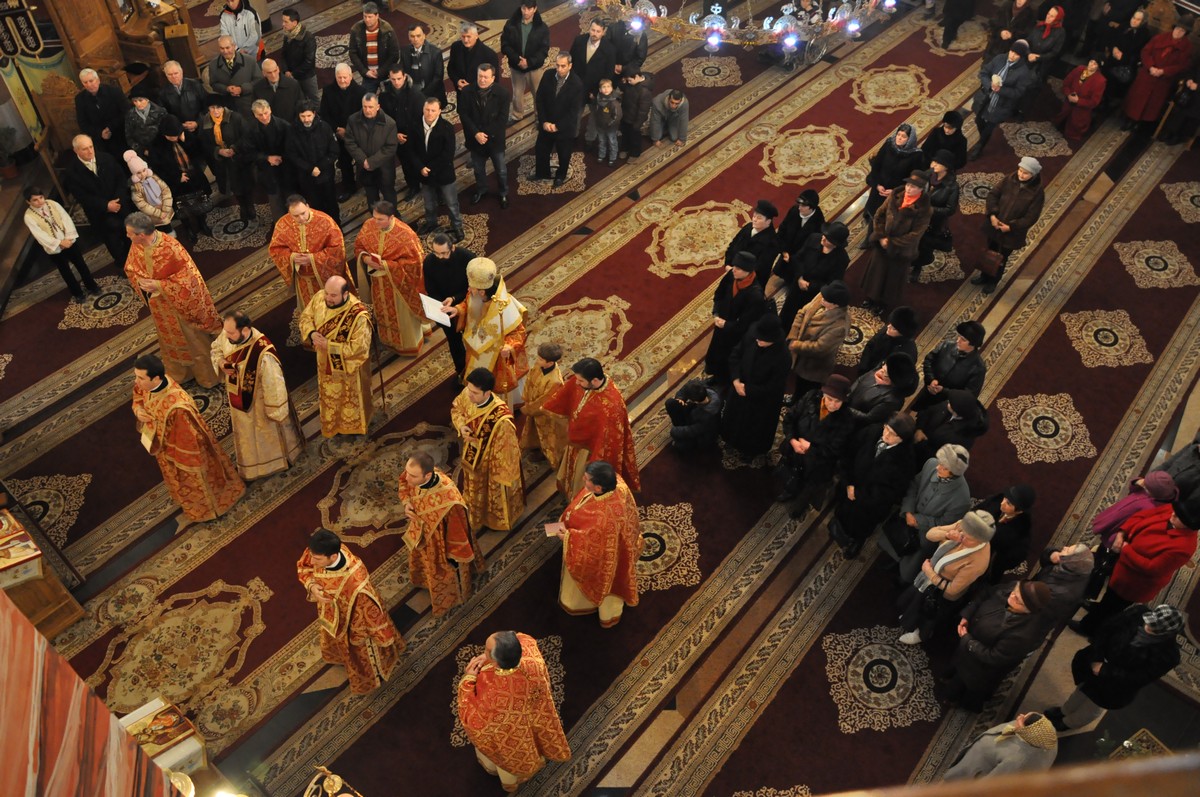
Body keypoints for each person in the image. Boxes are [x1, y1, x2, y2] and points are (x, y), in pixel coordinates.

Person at [131, 353, 245, 521]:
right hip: (163, 448)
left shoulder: (177, 407)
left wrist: (168, 452)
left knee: (196, 483)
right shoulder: (150, 385)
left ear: (156, 378)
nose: (136, 381)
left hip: (181, 455)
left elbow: (190, 440)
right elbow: (138, 396)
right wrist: (138, 411)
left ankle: (211, 510)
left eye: (140, 378)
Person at [457, 630, 571, 790]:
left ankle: (509, 778)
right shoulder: (530, 650)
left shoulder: (493, 692)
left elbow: (473, 719)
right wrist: (489, 657)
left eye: (486, 650)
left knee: (507, 752)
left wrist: (468, 679)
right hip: (535, 711)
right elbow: (521, 636)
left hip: (511, 732)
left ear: (496, 663)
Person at [297, 529, 403, 694]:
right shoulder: (318, 551)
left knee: (359, 652)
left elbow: (369, 612)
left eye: (317, 559)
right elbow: (304, 567)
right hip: (330, 611)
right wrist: (311, 586)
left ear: (332, 557)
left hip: (352, 622)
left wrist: (353, 633)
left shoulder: (355, 582)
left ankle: (371, 676)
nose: (312, 560)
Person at [1046, 604, 1184, 731]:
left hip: (1114, 685)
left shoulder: (1168, 655)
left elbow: (1140, 678)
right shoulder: (1137, 613)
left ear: (1167, 633)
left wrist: (1106, 670)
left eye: (1155, 628)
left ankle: (1068, 723)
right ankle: (1065, 710)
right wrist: (1097, 657)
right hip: (1094, 663)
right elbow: (1106, 630)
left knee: (1092, 706)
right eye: (1150, 622)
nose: (1148, 627)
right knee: (1081, 690)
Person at [124, 212, 221, 387]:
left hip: (180, 307)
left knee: (194, 342)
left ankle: (208, 377)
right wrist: (142, 282)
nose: (127, 236)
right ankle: (181, 374)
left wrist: (160, 286)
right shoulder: (136, 245)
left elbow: (189, 278)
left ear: (141, 235)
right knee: (170, 344)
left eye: (129, 233)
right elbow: (131, 268)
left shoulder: (170, 248)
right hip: (159, 306)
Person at [1074, 501, 1198, 636]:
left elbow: (1152, 568)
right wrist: (1122, 533)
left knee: (1112, 606)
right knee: (1108, 597)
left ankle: (1088, 627)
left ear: (1189, 527)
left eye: (1179, 517)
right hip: (1122, 566)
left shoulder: (1183, 548)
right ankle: (1098, 608)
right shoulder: (1173, 511)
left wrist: (1126, 549)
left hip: (1134, 582)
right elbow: (1140, 516)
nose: (1173, 514)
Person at [210, 310, 303, 480]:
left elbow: (275, 386)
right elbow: (216, 348)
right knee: (247, 437)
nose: (226, 335)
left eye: (230, 332)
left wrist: (276, 413)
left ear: (245, 329)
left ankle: (275, 462)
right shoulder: (228, 334)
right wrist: (221, 363)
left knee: (266, 438)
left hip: (261, 407)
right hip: (238, 403)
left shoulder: (263, 353)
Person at [550, 461, 641, 626]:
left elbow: (593, 548)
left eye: (586, 479)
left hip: (603, 558)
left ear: (598, 488)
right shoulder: (618, 482)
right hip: (615, 540)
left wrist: (568, 538)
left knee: (596, 585)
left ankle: (584, 604)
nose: (583, 481)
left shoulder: (604, 519)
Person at [941, 580, 1054, 711]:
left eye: (1018, 600)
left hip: (980, 667)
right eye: (1014, 592)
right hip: (969, 645)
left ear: (1029, 610)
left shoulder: (1022, 635)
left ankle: (960, 702)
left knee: (967, 686)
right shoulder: (1012, 589)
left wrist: (967, 640)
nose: (1011, 597)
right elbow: (985, 594)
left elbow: (994, 657)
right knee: (956, 667)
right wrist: (967, 615)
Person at [398, 452, 484, 615]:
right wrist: (407, 503)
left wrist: (452, 557)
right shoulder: (414, 475)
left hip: (441, 544)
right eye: (407, 472)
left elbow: (458, 531)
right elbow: (404, 483)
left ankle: (453, 598)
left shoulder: (449, 500)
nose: (407, 478)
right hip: (421, 532)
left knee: (441, 569)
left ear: (428, 475)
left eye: (413, 476)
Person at [542, 358, 640, 496]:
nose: (576, 383)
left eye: (581, 381)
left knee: (580, 481)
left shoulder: (611, 408)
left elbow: (607, 442)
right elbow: (569, 391)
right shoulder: (584, 382)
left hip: (589, 450)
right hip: (575, 442)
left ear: (594, 381)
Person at [897, 510, 995, 645]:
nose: (962, 537)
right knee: (915, 601)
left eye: (968, 537)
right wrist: (947, 534)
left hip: (940, 592)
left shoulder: (978, 561)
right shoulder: (964, 526)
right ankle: (910, 616)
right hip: (928, 577)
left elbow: (952, 589)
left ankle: (920, 634)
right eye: (962, 533)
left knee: (928, 615)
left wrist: (929, 572)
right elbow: (930, 534)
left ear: (979, 541)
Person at [829, 413, 918, 558]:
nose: (887, 435)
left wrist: (859, 494)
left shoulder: (906, 461)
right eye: (886, 429)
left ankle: (857, 541)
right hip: (849, 486)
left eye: (893, 434)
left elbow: (891, 493)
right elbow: (848, 454)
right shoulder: (872, 431)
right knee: (842, 512)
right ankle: (839, 527)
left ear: (903, 439)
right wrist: (849, 483)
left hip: (870, 504)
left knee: (861, 526)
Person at [452, 368, 526, 533]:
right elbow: (457, 409)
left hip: (489, 466)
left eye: (475, 393)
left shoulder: (501, 419)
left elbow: (507, 452)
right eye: (469, 390)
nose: (469, 396)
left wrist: (494, 472)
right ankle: (474, 516)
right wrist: (461, 426)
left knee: (489, 493)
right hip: (471, 454)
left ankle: (491, 520)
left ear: (487, 393)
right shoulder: (467, 393)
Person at [300, 276, 374, 437]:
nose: (328, 298)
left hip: (349, 371)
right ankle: (333, 425)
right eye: (327, 293)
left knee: (347, 399)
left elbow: (359, 348)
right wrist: (312, 334)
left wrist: (330, 346)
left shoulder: (358, 316)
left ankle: (355, 427)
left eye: (333, 295)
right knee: (329, 396)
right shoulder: (320, 297)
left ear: (345, 294)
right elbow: (306, 317)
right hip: (323, 361)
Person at [443, 257, 528, 398]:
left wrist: (509, 346)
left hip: (496, 355)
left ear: (482, 292)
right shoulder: (474, 295)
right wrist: (458, 310)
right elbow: (467, 304)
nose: (469, 289)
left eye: (472, 288)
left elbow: (518, 332)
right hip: (475, 347)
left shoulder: (503, 307)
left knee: (494, 387)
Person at [776, 374, 854, 518]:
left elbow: (836, 449)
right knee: (791, 474)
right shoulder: (810, 398)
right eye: (830, 399)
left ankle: (799, 507)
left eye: (838, 401)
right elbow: (789, 419)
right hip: (795, 450)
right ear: (823, 393)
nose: (832, 404)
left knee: (808, 488)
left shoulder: (847, 420)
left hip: (818, 463)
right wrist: (793, 440)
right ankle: (789, 490)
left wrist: (810, 447)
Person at [884, 444, 973, 569]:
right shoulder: (931, 463)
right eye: (939, 462)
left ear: (954, 473)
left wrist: (917, 521)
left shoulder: (962, 500)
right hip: (908, 516)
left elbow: (943, 524)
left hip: (925, 532)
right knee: (891, 540)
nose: (937, 467)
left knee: (908, 565)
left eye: (943, 467)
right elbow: (914, 485)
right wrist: (908, 511)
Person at [355, 200, 425, 355]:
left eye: (380, 219)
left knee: (402, 316)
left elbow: (415, 263)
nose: (376, 222)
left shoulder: (406, 234)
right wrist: (365, 258)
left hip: (398, 286)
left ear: (391, 217)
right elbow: (359, 246)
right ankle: (389, 341)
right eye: (374, 217)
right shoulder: (369, 224)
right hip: (378, 282)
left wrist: (387, 265)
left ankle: (409, 345)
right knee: (382, 312)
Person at [858, 172, 933, 315]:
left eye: (913, 186)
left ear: (921, 189)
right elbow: (879, 214)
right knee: (876, 273)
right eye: (908, 184)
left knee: (891, 279)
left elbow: (915, 234)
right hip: (882, 243)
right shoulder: (895, 195)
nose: (909, 189)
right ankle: (871, 298)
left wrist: (891, 242)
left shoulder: (924, 209)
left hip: (901, 250)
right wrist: (880, 236)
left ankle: (882, 304)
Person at [720, 313, 792, 459]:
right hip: (739, 388)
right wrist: (735, 380)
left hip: (761, 400)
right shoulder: (753, 334)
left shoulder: (783, 357)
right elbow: (736, 355)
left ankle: (750, 451)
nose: (757, 340)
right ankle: (730, 439)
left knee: (753, 430)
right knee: (733, 420)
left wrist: (748, 390)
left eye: (762, 339)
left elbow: (774, 386)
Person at [973, 157, 1044, 294]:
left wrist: (1011, 227)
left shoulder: (1037, 193)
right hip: (994, 225)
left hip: (1011, 233)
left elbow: (1031, 216)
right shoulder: (1009, 179)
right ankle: (984, 275)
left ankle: (993, 281)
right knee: (990, 251)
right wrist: (992, 215)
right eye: (1020, 170)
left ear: (1033, 175)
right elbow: (993, 195)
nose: (1021, 175)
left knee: (1001, 258)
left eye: (1025, 173)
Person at [270, 195, 351, 311]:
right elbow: (276, 249)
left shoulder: (325, 221)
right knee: (311, 309)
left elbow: (337, 249)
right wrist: (291, 257)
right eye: (296, 216)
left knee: (330, 307)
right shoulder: (282, 224)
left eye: (303, 213)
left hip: (323, 277)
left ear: (308, 206)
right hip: (302, 278)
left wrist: (313, 258)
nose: (301, 218)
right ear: (289, 213)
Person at [23, 186, 101, 303]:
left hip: (69, 241)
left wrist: (68, 238)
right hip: (55, 248)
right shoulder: (29, 217)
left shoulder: (52, 204)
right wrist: (59, 243)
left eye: (41, 197)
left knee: (81, 264)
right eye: (35, 200)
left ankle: (91, 285)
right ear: (28, 202)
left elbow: (66, 218)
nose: (40, 202)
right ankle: (77, 293)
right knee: (65, 271)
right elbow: (40, 235)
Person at [63, 133, 133, 264]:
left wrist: (118, 200)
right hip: (100, 213)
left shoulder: (106, 158)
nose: (90, 151)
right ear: (76, 150)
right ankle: (124, 265)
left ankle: (137, 259)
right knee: (113, 242)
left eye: (91, 146)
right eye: (85, 149)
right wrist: (106, 205)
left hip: (120, 205)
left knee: (130, 235)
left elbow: (120, 179)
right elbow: (82, 197)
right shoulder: (72, 172)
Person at [1121, 16, 1193, 132]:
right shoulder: (1160, 37)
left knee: (1151, 103)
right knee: (1136, 98)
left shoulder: (1187, 47)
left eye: (1182, 31)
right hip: (1148, 74)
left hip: (1163, 79)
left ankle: (1139, 123)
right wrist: (1151, 66)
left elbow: (1182, 66)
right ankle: (1129, 119)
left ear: (1186, 33)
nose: (1179, 32)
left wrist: (1164, 71)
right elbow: (1146, 51)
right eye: (1178, 28)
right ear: (1174, 28)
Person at [704, 251, 766, 386]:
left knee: (728, 357)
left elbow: (747, 323)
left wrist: (727, 325)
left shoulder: (755, 295)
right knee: (716, 353)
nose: (734, 270)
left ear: (748, 271)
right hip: (722, 324)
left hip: (735, 334)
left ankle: (724, 382)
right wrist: (716, 313)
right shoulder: (731, 276)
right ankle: (715, 375)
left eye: (738, 268)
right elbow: (719, 294)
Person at [774, 221, 849, 332]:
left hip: (813, 294)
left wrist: (810, 285)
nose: (823, 238)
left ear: (835, 244)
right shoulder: (814, 238)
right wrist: (799, 277)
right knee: (787, 312)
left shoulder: (841, 259)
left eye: (828, 239)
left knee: (802, 320)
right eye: (824, 235)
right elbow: (798, 258)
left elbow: (832, 283)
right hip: (797, 284)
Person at [943, 712, 1058, 780]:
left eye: (1022, 720)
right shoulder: (1045, 735)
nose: (1019, 717)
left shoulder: (1017, 761)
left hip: (972, 776)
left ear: (1027, 733)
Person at [968, 41, 1034, 159]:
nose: (1012, 55)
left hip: (1002, 104)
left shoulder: (1023, 72)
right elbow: (984, 73)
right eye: (1012, 51)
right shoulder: (999, 58)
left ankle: (980, 146)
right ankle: (982, 138)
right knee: (979, 120)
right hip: (986, 98)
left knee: (990, 127)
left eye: (1016, 54)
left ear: (1021, 56)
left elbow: (1018, 92)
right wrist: (989, 84)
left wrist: (1000, 90)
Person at [861, 124, 925, 243]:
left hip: (896, 192)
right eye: (898, 135)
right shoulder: (889, 144)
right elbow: (877, 166)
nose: (899, 138)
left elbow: (912, 179)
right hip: (879, 187)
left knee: (885, 217)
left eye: (904, 136)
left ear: (909, 139)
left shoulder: (916, 155)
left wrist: (896, 190)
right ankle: (868, 227)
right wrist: (877, 185)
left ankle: (876, 238)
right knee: (873, 210)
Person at [460, 63, 512, 209]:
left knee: (501, 170)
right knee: (478, 169)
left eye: (485, 77)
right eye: (479, 76)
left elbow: (502, 119)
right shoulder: (467, 91)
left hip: (495, 140)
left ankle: (503, 192)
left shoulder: (503, 93)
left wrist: (485, 135)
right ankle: (482, 189)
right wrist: (476, 133)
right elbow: (463, 114)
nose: (482, 80)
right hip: (475, 139)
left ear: (493, 78)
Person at [198, 95, 256, 224]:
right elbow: (204, 143)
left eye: (218, 107)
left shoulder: (235, 118)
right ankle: (242, 206)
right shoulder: (205, 122)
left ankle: (250, 206)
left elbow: (247, 136)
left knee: (245, 184)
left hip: (239, 158)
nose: (216, 111)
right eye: (212, 108)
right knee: (234, 186)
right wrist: (218, 151)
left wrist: (234, 148)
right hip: (222, 161)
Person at [787, 280, 851, 396]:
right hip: (801, 355)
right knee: (798, 383)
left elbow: (819, 348)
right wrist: (793, 335)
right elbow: (802, 313)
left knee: (806, 390)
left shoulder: (839, 326)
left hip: (814, 366)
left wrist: (796, 345)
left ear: (836, 305)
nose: (822, 300)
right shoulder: (824, 296)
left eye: (826, 301)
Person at [412, 97, 464, 240]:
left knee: (451, 203)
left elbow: (448, 154)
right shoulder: (415, 126)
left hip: (443, 173)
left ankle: (457, 226)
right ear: (423, 109)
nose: (429, 113)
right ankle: (431, 223)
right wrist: (421, 167)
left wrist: (429, 168)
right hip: (424, 173)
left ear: (439, 111)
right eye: (427, 110)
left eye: (433, 110)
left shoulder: (447, 127)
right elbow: (411, 151)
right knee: (429, 203)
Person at [532, 53, 585, 188]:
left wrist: (557, 126)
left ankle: (560, 176)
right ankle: (542, 173)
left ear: (570, 66)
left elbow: (573, 112)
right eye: (557, 65)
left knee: (564, 154)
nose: (559, 69)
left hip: (564, 128)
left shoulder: (577, 84)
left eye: (563, 66)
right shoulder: (548, 75)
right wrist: (544, 121)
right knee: (541, 149)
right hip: (546, 124)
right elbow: (540, 99)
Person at [425, 233, 474, 376]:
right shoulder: (429, 262)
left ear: (452, 248)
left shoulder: (467, 258)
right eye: (436, 253)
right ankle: (462, 373)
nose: (440, 257)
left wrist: (454, 298)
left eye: (444, 253)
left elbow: (473, 286)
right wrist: (441, 306)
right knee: (454, 343)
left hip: (467, 305)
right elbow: (431, 289)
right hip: (446, 310)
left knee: (473, 339)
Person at [378, 65, 426, 207]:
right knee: (406, 163)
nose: (396, 82)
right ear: (389, 78)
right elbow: (384, 118)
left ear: (404, 77)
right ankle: (413, 186)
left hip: (415, 136)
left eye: (399, 78)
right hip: (397, 136)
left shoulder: (415, 94)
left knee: (421, 161)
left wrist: (411, 134)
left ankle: (430, 187)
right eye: (393, 79)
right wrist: (395, 134)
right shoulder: (384, 95)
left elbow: (421, 118)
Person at [287, 102, 342, 225]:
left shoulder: (325, 127)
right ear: (298, 116)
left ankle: (335, 227)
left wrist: (320, 167)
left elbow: (334, 151)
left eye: (309, 116)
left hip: (326, 174)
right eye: (303, 116)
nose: (306, 119)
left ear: (314, 114)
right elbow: (292, 155)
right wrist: (310, 168)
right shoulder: (292, 131)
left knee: (331, 203)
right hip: (306, 176)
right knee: (314, 206)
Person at [914, 320, 987, 410]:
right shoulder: (947, 345)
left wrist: (944, 391)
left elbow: (968, 395)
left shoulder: (978, 368)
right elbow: (929, 360)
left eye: (963, 340)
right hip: (928, 391)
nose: (957, 341)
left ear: (973, 344)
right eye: (959, 337)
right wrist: (931, 379)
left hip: (946, 406)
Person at [320, 64, 367, 201]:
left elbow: (364, 116)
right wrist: (337, 129)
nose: (342, 80)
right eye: (339, 77)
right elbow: (325, 114)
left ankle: (365, 184)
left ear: (351, 76)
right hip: (338, 134)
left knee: (361, 160)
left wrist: (349, 131)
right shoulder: (328, 91)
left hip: (357, 135)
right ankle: (349, 188)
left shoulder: (361, 92)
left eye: (345, 77)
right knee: (344, 162)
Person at [345, 92, 399, 208]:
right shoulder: (353, 120)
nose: (367, 110)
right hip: (364, 167)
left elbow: (391, 147)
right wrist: (363, 160)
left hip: (384, 168)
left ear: (378, 107)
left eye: (370, 107)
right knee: (371, 197)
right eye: (365, 106)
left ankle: (394, 217)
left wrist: (371, 162)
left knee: (389, 195)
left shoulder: (389, 123)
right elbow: (350, 142)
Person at [912, 150, 960, 280]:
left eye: (939, 163)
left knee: (924, 245)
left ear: (947, 167)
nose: (934, 164)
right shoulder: (928, 175)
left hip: (933, 222)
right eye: (934, 161)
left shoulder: (952, 187)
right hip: (916, 215)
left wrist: (929, 209)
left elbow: (950, 210)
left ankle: (917, 267)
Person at [500, 2, 551, 122]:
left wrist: (529, 62)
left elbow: (544, 50)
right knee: (517, 94)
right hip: (516, 66)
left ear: (535, 9)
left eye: (529, 9)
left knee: (538, 94)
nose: (526, 12)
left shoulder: (542, 28)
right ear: (520, 7)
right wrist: (517, 60)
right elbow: (505, 45)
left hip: (534, 68)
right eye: (524, 8)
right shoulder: (511, 24)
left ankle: (539, 116)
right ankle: (517, 115)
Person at [521, 342, 569, 466]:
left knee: (547, 437)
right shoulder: (539, 365)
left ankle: (547, 455)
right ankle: (535, 446)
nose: (537, 360)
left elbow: (545, 401)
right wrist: (526, 398)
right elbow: (529, 379)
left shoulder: (555, 381)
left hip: (544, 414)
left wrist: (528, 409)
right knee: (533, 430)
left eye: (540, 359)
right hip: (532, 405)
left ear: (550, 362)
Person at [978, 484, 1036, 583]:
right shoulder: (996, 500)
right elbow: (976, 511)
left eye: (1008, 503)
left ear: (1019, 511)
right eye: (1005, 498)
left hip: (990, 557)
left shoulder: (1020, 533)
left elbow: (1008, 559)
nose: (1002, 503)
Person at [845, 352, 918, 429]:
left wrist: (845, 409)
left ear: (893, 379)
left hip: (852, 423)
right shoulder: (880, 370)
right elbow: (860, 380)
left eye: (886, 372)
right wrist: (845, 397)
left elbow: (868, 418)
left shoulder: (892, 400)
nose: (882, 370)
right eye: (884, 365)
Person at [247, 99, 293, 220]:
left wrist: (280, 158)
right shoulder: (250, 130)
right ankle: (281, 225)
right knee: (275, 200)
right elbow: (249, 152)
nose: (264, 117)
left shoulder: (284, 126)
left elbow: (292, 148)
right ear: (254, 115)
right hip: (266, 169)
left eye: (266, 113)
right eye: (260, 115)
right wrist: (267, 158)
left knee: (291, 197)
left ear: (270, 110)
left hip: (286, 167)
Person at [157, 61, 208, 167]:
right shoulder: (163, 93)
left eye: (176, 73)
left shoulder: (195, 85)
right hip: (183, 135)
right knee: (196, 165)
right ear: (166, 75)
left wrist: (197, 122)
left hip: (203, 129)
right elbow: (166, 116)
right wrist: (180, 127)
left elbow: (207, 106)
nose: (173, 77)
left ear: (181, 72)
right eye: (169, 74)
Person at [1098, 9, 1149, 109]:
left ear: (1142, 22)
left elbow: (1139, 54)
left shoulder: (1143, 35)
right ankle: (1099, 96)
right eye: (1134, 18)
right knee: (1104, 70)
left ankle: (1108, 101)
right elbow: (1112, 39)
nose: (1134, 21)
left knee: (1114, 80)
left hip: (1126, 63)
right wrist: (1114, 48)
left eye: (1138, 20)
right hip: (1113, 58)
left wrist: (1123, 57)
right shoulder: (1124, 26)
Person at [74, 68, 129, 159]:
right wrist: (100, 133)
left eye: (91, 81)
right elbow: (83, 123)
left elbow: (126, 112)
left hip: (119, 132)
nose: (89, 85)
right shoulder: (80, 99)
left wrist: (110, 127)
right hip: (98, 138)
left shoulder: (114, 92)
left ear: (98, 80)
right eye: (85, 82)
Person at [724, 199, 781, 287]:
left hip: (749, 283)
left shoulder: (772, 243)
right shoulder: (748, 227)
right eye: (754, 216)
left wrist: (737, 273)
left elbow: (760, 268)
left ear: (768, 222)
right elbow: (732, 245)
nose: (754, 220)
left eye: (759, 218)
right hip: (732, 271)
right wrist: (727, 264)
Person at [1034, 543, 1094, 625]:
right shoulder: (1076, 568)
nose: (1064, 547)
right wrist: (1051, 554)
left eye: (1067, 550)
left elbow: (1033, 608)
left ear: (1070, 560)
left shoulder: (1057, 592)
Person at [569, 20, 616, 120]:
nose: (594, 34)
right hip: (577, 86)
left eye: (598, 31)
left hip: (595, 90)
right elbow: (570, 61)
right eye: (593, 30)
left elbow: (609, 73)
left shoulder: (609, 49)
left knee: (596, 117)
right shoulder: (579, 40)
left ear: (603, 33)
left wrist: (596, 92)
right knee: (574, 115)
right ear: (589, 29)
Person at [1022, 6, 1067, 110]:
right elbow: (1028, 40)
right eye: (1048, 14)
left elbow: (1054, 52)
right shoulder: (1039, 25)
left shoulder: (1060, 32)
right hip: (1028, 58)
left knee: (1031, 88)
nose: (1048, 17)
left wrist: (1038, 57)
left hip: (1041, 64)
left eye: (1052, 16)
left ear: (1057, 19)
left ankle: (1023, 110)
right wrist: (1029, 53)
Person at [349, 3, 399, 93]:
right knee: (365, 100)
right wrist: (365, 72)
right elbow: (352, 52)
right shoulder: (356, 29)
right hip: (368, 75)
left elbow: (394, 55)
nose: (367, 20)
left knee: (389, 101)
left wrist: (380, 71)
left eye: (370, 17)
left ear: (377, 16)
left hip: (385, 74)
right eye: (365, 16)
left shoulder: (387, 30)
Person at [209, 35, 262, 118]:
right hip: (229, 107)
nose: (225, 51)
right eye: (222, 48)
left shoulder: (249, 60)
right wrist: (226, 89)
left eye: (227, 48)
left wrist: (242, 89)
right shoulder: (213, 65)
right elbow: (213, 84)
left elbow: (259, 80)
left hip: (249, 104)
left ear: (234, 46)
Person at [666, 378, 724, 454]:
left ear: (695, 401)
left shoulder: (708, 416)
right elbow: (684, 389)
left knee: (681, 445)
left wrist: (674, 431)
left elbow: (692, 431)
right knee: (671, 403)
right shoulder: (701, 387)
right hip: (694, 415)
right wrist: (680, 399)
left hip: (702, 435)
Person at [1055, 58, 1107, 142]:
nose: (1091, 65)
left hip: (1081, 110)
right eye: (1091, 62)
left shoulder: (1100, 81)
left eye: (1095, 64)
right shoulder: (1079, 69)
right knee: (1061, 120)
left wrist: (1078, 101)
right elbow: (1066, 83)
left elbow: (1094, 102)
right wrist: (1068, 94)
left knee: (1072, 130)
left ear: (1098, 67)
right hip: (1068, 103)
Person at [857, 307, 918, 376]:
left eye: (894, 328)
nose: (888, 326)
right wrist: (863, 368)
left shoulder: (907, 355)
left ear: (902, 333)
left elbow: (894, 376)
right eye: (890, 323)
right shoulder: (888, 330)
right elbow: (870, 345)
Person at [125, 151, 175, 235]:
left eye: (144, 170)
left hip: (165, 209)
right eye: (138, 173)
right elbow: (142, 205)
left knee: (169, 229)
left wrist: (165, 209)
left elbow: (166, 191)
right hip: (153, 216)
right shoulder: (136, 188)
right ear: (134, 175)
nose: (142, 174)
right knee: (158, 234)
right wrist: (159, 213)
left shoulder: (154, 178)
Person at [401, 23, 447, 109]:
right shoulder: (404, 52)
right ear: (409, 37)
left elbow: (438, 77)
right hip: (413, 93)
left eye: (418, 36)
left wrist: (423, 94)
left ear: (424, 36)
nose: (416, 39)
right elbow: (403, 74)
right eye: (412, 36)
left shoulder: (435, 52)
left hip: (432, 94)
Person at [776, 189, 826, 263]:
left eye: (803, 206)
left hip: (800, 260)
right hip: (785, 252)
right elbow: (783, 228)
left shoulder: (819, 223)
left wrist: (794, 259)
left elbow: (812, 248)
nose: (799, 208)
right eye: (799, 204)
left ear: (811, 207)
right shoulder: (794, 210)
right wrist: (783, 250)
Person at [449, 22, 500, 95]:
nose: (465, 40)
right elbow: (451, 68)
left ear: (476, 36)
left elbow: (494, 81)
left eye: (468, 36)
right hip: (461, 94)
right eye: (463, 37)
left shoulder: (489, 55)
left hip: (480, 96)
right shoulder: (455, 47)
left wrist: (471, 87)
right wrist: (457, 81)